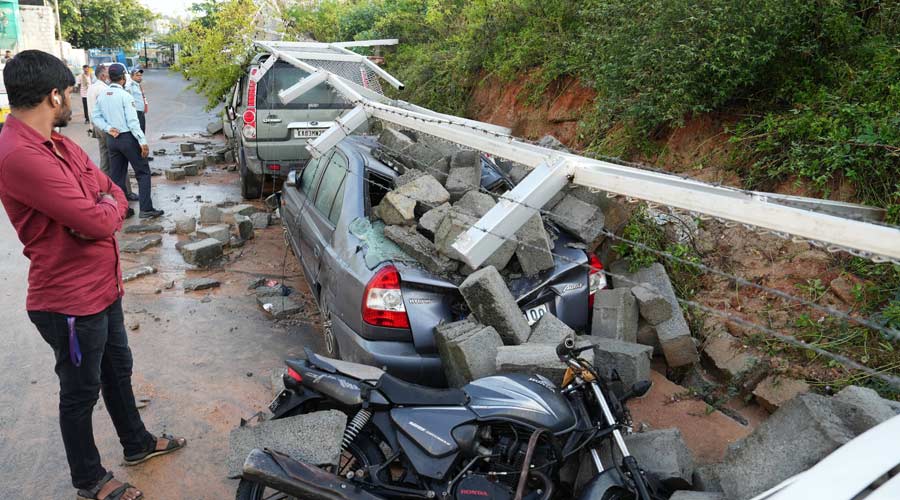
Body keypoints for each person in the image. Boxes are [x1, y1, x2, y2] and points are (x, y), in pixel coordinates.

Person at [0, 50, 185, 500]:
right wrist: (100, 208)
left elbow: (108, 188)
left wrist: (102, 204)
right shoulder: (20, 154)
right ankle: (89, 480)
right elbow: (98, 220)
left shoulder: (58, 143)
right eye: (70, 93)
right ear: (53, 95)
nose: (74, 100)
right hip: (67, 299)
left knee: (117, 370)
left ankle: (137, 444)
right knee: (80, 392)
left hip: (102, 286)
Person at [92, 63, 163, 219]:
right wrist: (143, 142)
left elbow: (95, 116)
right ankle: (146, 209)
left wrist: (107, 127)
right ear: (123, 78)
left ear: (109, 78)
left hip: (112, 139)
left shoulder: (103, 94)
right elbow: (132, 122)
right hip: (127, 138)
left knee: (117, 176)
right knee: (143, 172)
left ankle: (123, 209)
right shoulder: (125, 96)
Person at [87, 65, 137, 203]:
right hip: (109, 129)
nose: (109, 77)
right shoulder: (105, 90)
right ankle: (125, 193)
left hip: (98, 127)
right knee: (119, 161)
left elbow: (93, 112)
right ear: (103, 76)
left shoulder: (92, 88)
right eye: (107, 74)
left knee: (105, 160)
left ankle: (104, 191)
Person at [125, 68, 147, 133]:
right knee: (138, 132)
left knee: (142, 131)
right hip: (135, 112)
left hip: (140, 112)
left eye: (140, 75)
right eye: (137, 75)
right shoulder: (129, 86)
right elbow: (128, 100)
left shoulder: (137, 85)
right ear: (131, 76)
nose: (140, 77)